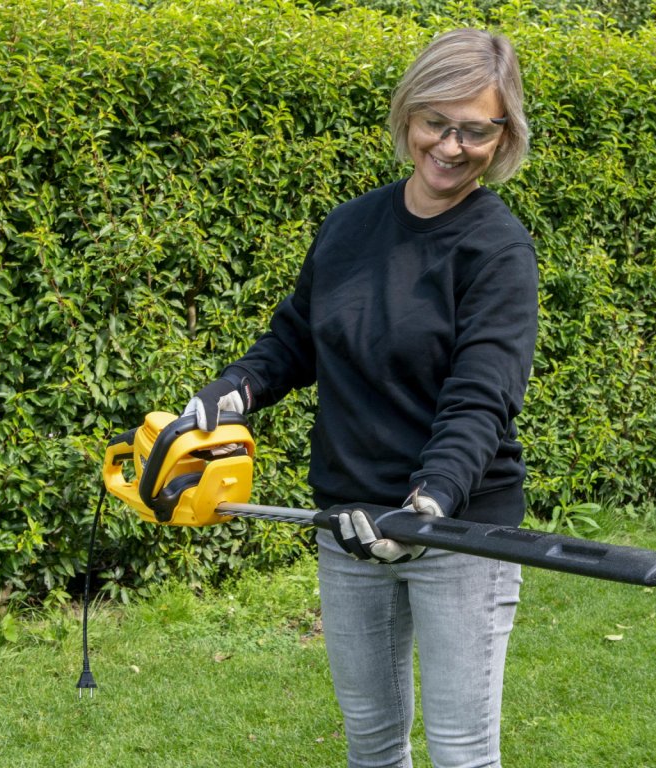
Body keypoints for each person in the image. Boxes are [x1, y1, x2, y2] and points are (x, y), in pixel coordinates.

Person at [184, 28, 538, 768]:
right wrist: (233, 391)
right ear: (408, 114)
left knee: (461, 751)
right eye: (436, 122)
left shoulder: (497, 249)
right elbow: (294, 341)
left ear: (503, 137)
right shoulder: (350, 226)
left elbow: (481, 396)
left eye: (476, 130)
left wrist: (430, 502)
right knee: (372, 746)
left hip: (458, 529)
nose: (451, 146)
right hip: (346, 521)